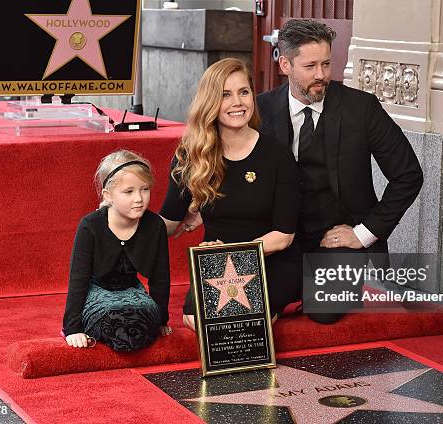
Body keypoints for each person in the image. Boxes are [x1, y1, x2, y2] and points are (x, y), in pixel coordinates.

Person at [257, 19, 424, 323]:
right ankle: (290, 289)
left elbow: (409, 174)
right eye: (310, 66)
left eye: (326, 63)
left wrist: (363, 234)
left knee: (324, 310)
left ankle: (311, 288)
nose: (321, 75)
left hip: (337, 238)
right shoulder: (261, 110)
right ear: (285, 65)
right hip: (281, 238)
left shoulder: (362, 109)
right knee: (262, 301)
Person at [159, 58, 302, 331]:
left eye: (244, 92)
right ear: (210, 102)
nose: (238, 102)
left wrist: (232, 254)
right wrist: (119, 218)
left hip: (269, 260)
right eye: (225, 95)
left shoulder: (277, 155)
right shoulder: (191, 155)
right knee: (197, 321)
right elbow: (168, 222)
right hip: (216, 266)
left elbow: (284, 237)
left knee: (242, 321)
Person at [63, 150, 172, 351]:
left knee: (140, 322)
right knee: (115, 321)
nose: (139, 198)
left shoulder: (155, 225)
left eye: (145, 189)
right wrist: (72, 328)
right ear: (108, 196)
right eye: (128, 192)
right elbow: (78, 279)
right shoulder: (90, 226)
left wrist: (161, 318)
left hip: (131, 292)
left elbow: (161, 278)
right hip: (98, 291)